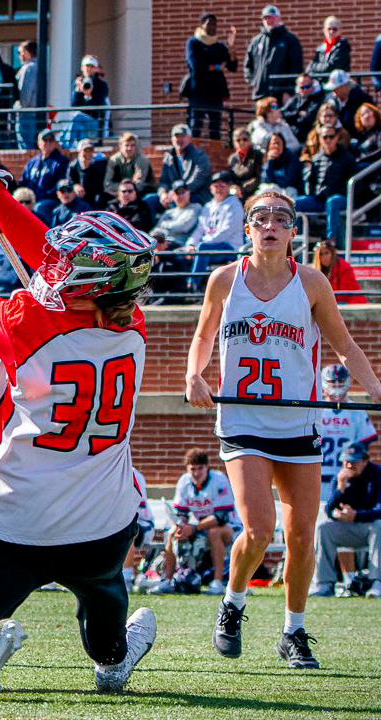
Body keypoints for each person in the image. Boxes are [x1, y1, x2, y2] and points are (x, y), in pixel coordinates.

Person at [0, 139, 157, 702]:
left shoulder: (26, 321)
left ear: (82, 278)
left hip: (14, 517)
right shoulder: (133, 327)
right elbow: (46, 255)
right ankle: (114, 657)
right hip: (102, 523)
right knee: (104, 629)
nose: (55, 260)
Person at [186, 189, 381, 670]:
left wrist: (376, 388)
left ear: (293, 231)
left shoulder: (312, 283)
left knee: (299, 536)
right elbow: (204, 335)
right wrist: (194, 373)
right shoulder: (224, 280)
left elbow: (344, 346)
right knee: (257, 530)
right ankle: (232, 604)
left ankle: (293, 631)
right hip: (244, 423)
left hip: (298, 425)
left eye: (281, 218)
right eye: (261, 218)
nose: (270, 225)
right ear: (247, 228)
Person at [148, 449, 240, 596]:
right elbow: (181, 512)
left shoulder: (219, 480)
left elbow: (221, 516)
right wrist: (181, 526)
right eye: (192, 469)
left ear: (207, 467)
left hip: (230, 526)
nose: (196, 473)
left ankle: (217, 582)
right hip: (200, 526)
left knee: (214, 532)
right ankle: (167, 580)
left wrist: (193, 528)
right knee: (173, 532)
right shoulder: (184, 481)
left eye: (200, 468)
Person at [311, 444, 381, 598]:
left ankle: (377, 583)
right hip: (349, 528)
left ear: (365, 460)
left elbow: (379, 509)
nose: (349, 465)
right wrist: (340, 489)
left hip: (370, 528)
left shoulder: (377, 474)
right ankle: (324, 585)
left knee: (379, 525)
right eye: (346, 461)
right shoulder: (340, 478)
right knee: (324, 527)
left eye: (354, 461)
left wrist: (357, 515)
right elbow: (329, 510)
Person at [316, 365, 378, 502]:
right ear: (324, 383)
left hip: (346, 477)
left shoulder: (356, 412)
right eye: (332, 382)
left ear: (347, 382)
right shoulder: (316, 409)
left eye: (341, 381)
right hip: (316, 476)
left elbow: (363, 450)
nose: (337, 385)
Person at [297, 126, 356, 243]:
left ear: (337, 138)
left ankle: (331, 240)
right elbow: (312, 184)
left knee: (332, 201)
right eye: (325, 137)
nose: (328, 140)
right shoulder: (316, 159)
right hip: (320, 199)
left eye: (331, 137)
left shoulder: (347, 158)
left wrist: (332, 191)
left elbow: (352, 184)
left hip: (341, 198)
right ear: (320, 139)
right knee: (296, 203)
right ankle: (296, 239)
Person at [186, 14, 239, 140]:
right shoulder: (193, 43)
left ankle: (215, 153)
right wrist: (215, 67)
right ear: (201, 25)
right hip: (198, 91)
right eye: (209, 24)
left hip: (216, 92)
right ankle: (193, 152)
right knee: (196, 125)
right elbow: (195, 65)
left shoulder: (219, 46)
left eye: (214, 24)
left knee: (215, 127)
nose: (212, 27)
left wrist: (231, 48)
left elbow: (232, 66)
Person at [244, 5, 304, 101]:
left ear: (279, 18)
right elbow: (248, 66)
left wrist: (288, 91)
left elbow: (296, 68)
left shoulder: (290, 40)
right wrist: (254, 82)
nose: (269, 20)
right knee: (260, 116)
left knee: (280, 116)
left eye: (272, 17)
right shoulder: (256, 41)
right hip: (260, 94)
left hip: (281, 95)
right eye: (266, 18)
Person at [157, 124, 212, 210]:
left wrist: (178, 192)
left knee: (177, 201)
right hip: (174, 195)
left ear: (190, 138)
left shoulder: (199, 156)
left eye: (183, 136)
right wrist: (163, 194)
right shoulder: (168, 157)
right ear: (172, 139)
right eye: (177, 136)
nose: (180, 139)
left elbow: (198, 180)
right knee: (150, 200)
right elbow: (163, 181)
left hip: (196, 195)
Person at [20, 130, 69, 220]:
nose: (48, 143)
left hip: (50, 200)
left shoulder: (61, 162)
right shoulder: (32, 162)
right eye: (45, 140)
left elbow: (60, 185)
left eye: (51, 140)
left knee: (38, 208)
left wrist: (39, 198)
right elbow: (23, 182)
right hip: (29, 200)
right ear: (39, 143)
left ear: (55, 143)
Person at [197, 171, 245, 250]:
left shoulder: (234, 204)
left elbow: (227, 231)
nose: (218, 189)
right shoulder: (207, 206)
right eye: (216, 186)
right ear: (211, 188)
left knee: (203, 247)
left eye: (222, 186)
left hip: (231, 247)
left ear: (228, 187)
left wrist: (203, 242)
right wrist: (191, 244)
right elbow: (199, 229)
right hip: (208, 244)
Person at [313, 238, 366, 304]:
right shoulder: (316, 272)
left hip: (351, 303)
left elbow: (344, 294)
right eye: (321, 254)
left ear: (332, 253)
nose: (324, 257)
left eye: (326, 253)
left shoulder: (344, 267)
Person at [103, 133, 154, 200]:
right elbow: (107, 185)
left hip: (142, 194)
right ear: (120, 147)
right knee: (102, 197)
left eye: (132, 145)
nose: (129, 148)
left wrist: (124, 189)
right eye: (126, 145)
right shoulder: (114, 160)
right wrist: (130, 183)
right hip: (119, 193)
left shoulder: (142, 160)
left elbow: (140, 186)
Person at [323, 70, 371, 138]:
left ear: (345, 86)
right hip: (333, 139)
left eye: (336, 88)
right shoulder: (329, 99)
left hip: (357, 139)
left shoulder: (362, 100)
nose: (333, 90)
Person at [282, 74, 325, 142]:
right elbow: (282, 113)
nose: (305, 90)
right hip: (292, 137)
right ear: (298, 87)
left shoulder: (318, 100)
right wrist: (297, 113)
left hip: (309, 138)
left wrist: (292, 118)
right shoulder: (295, 99)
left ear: (312, 85)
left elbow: (308, 119)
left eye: (308, 86)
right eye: (302, 87)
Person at [14, 41, 40, 150]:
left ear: (26, 52)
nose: (19, 56)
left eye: (20, 52)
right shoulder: (40, 66)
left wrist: (20, 108)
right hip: (34, 112)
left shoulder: (29, 68)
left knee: (25, 145)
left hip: (26, 112)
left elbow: (25, 92)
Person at [67, 139, 108, 208]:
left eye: (90, 150)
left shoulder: (99, 163)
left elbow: (98, 184)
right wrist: (75, 186)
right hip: (79, 195)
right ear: (79, 151)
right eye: (85, 150)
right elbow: (69, 180)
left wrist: (87, 169)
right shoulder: (73, 166)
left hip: (94, 195)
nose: (88, 153)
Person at [229, 129, 264, 198]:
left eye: (245, 139)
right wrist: (233, 188)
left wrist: (242, 188)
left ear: (250, 141)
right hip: (236, 192)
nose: (241, 142)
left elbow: (258, 178)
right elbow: (230, 177)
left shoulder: (257, 155)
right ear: (234, 143)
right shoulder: (232, 158)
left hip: (253, 191)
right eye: (238, 140)